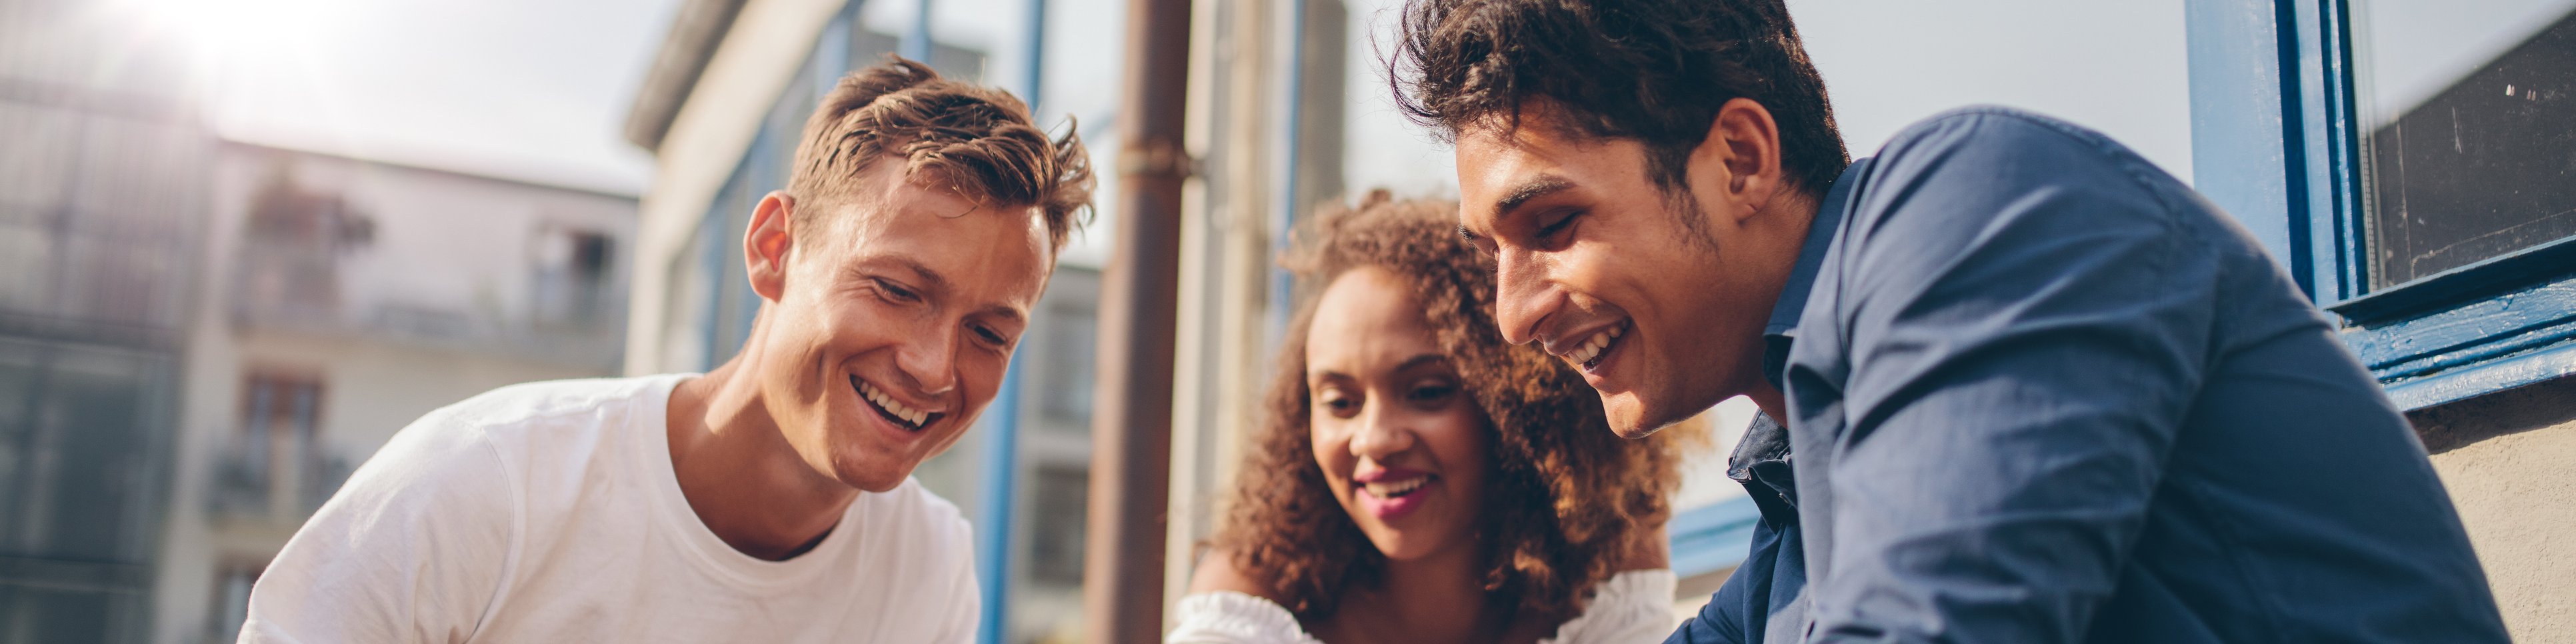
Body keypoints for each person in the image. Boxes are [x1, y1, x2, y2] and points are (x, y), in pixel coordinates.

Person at [1389, 1, 2513, 642]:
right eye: (1493, 252)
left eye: (1550, 223)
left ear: (1738, 158)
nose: (1512, 310)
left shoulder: (1972, 205)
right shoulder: (1796, 504)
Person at [239, 58, 1091, 643]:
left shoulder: (929, 570)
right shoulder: (486, 482)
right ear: (774, 249)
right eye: (899, 291)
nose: (936, 366)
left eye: (989, 333)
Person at [1167, 193, 1692, 644]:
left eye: (1426, 392)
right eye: (1340, 403)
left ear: (1516, 404)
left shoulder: (1609, 560)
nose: (1374, 440)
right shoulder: (1249, 601)